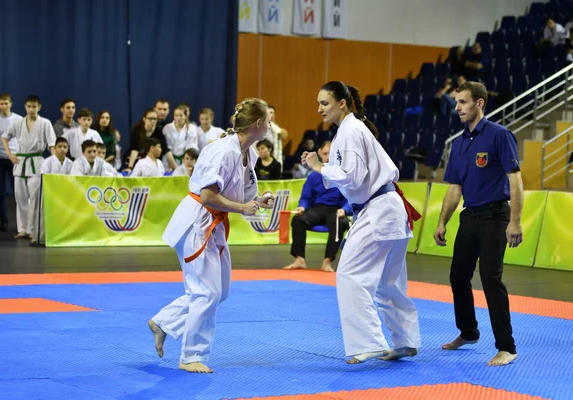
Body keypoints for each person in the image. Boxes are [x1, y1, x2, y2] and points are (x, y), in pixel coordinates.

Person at [148, 98, 275, 374]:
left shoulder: (248, 153)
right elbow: (208, 195)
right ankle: (191, 356)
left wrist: (259, 200)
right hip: (197, 221)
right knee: (206, 292)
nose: (270, 124)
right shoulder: (221, 150)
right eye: (268, 120)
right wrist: (242, 208)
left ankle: (164, 321)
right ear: (257, 124)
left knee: (220, 290)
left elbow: (243, 191)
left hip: (213, 224)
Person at [302, 81, 421, 364]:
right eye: (318, 103)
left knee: (349, 273)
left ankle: (368, 343)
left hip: (379, 209)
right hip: (389, 208)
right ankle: (405, 341)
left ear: (341, 103)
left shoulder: (350, 131)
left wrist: (319, 167)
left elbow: (353, 176)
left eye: (325, 103)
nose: (319, 108)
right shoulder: (353, 129)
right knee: (388, 281)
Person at [433, 81, 522, 367]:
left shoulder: (499, 135)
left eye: (462, 102)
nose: (457, 107)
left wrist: (515, 222)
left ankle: (506, 347)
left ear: (479, 103)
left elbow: (515, 179)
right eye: (456, 102)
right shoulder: (459, 143)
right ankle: (468, 332)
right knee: (458, 276)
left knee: (490, 278)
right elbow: (454, 187)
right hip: (470, 216)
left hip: (496, 215)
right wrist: (442, 222)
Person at [283, 141, 350, 273]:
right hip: (317, 209)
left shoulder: (342, 175)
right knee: (298, 220)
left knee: (339, 223)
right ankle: (299, 259)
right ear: (319, 153)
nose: (328, 157)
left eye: (331, 154)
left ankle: (327, 262)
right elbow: (305, 197)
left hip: (336, 209)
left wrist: (345, 210)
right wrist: (302, 207)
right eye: (325, 153)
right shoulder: (313, 176)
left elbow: (351, 198)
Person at [2, 95, 56, 244]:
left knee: (35, 197)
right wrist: (10, 154)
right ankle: (24, 229)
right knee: (20, 197)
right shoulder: (18, 123)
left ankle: (34, 230)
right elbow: (4, 137)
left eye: (34, 107)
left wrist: (53, 163)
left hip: (36, 161)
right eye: (29, 106)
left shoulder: (45, 123)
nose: (31, 109)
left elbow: (52, 144)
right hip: (20, 161)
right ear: (25, 107)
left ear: (39, 107)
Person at [0, 93, 23, 231]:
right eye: (1, 103)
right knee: (0, 192)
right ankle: (3, 221)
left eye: (6, 103)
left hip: (15, 159)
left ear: (11, 104)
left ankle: (22, 222)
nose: (4, 106)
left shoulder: (19, 120)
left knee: (18, 191)